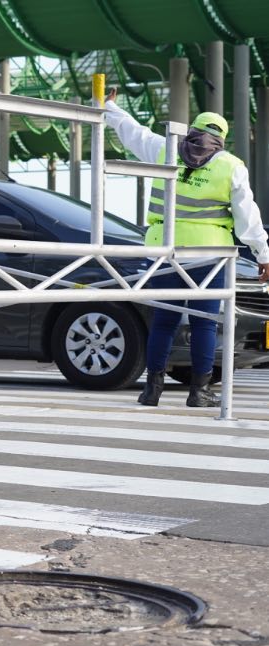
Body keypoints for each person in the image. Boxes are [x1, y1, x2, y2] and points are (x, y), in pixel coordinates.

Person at [104, 88, 269, 407]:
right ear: (222, 137)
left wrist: (108, 106)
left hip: (164, 253)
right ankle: (199, 391)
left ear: (193, 129)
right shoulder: (231, 166)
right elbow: (247, 217)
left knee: (164, 320)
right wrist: (264, 255)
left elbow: (131, 131)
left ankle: (151, 389)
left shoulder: (165, 149)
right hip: (208, 256)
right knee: (204, 322)